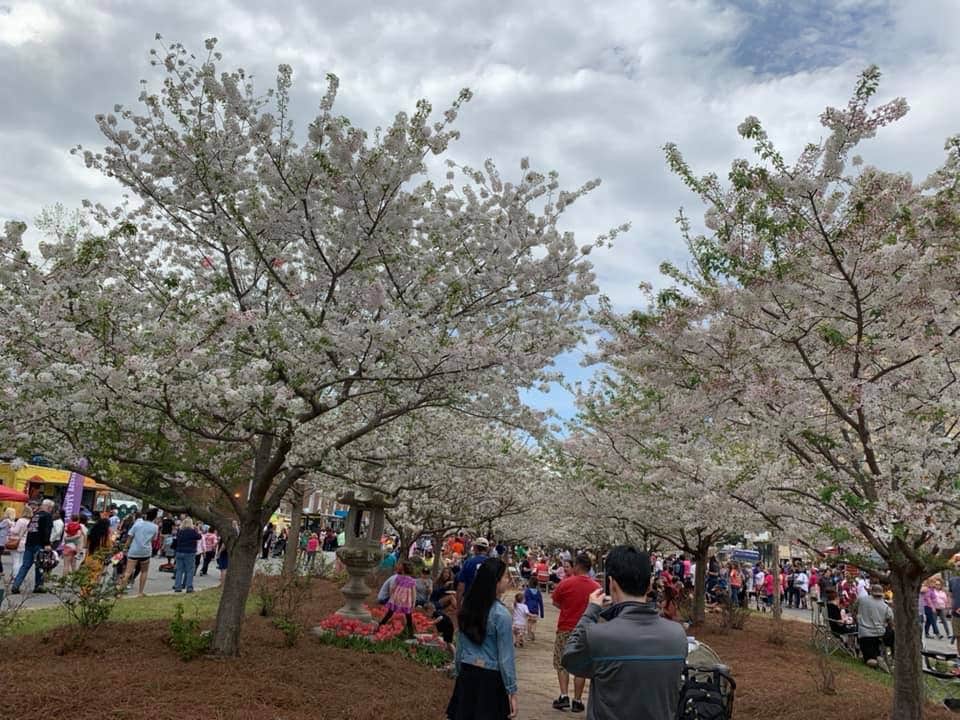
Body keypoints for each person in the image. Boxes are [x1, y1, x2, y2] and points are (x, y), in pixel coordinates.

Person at [562, 546, 688, 720]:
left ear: (612, 583)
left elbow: (569, 659)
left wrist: (591, 611)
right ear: (650, 585)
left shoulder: (599, 636)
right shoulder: (677, 636)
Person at [446, 558, 518, 720]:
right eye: (505, 576)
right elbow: (506, 657)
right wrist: (511, 690)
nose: (508, 580)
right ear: (496, 581)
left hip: (467, 673)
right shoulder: (501, 615)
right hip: (490, 679)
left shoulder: (467, 607)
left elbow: (461, 645)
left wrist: (459, 672)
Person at [551, 552, 601, 712]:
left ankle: (564, 695)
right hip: (586, 630)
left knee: (561, 662)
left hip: (566, 627)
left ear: (577, 566)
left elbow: (556, 602)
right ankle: (577, 700)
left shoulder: (566, 583)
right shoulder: (596, 587)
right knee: (581, 663)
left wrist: (567, 608)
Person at [11, 499, 54, 594]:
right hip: (40, 544)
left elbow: (29, 528)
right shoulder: (47, 516)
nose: (51, 510)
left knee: (25, 565)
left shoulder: (35, 515)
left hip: (29, 543)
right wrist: (47, 543)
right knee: (40, 565)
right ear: (49, 507)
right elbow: (47, 530)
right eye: (51, 508)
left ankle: (16, 585)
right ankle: (38, 586)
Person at [853, 583, 894, 668]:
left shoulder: (861, 600)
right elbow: (891, 622)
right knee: (877, 649)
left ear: (871, 591)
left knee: (868, 659)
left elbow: (854, 610)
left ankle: (876, 662)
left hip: (864, 634)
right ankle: (884, 658)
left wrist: (857, 620)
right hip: (879, 634)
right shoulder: (886, 607)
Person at [119, 508, 158, 597]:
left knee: (128, 572)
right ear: (154, 517)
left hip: (134, 550)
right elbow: (153, 539)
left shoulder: (137, 524)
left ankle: (120, 593)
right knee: (144, 571)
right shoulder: (155, 527)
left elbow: (130, 537)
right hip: (146, 551)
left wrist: (125, 548)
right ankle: (140, 592)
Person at [377, 561, 417, 638]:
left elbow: (393, 588)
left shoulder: (398, 578)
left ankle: (380, 625)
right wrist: (413, 602)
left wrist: (392, 596)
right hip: (406, 601)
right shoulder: (412, 580)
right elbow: (414, 593)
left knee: (390, 613)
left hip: (396, 599)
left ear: (402, 570)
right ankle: (410, 633)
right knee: (408, 616)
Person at [456, 537, 491, 605]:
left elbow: (461, 587)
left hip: (469, 601)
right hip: (486, 603)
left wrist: (458, 606)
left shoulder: (468, 563)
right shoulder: (492, 563)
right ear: (487, 549)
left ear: (475, 548)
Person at [173, 518, 201, 593]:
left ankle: (177, 586)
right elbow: (199, 537)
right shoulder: (192, 532)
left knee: (179, 570)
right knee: (190, 570)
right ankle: (189, 587)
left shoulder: (180, 531)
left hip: (179, 551)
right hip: (190, 552)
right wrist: (197, 529)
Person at [524, 576, 545, 641]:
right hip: (536, 609)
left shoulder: (527, 591)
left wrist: (523, 610)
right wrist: (542, 613)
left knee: (529, 622)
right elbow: (541, 603)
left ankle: (529, 635)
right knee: (534, 622)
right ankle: (533, 631)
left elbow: (525, 600)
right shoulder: (538, 592)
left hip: (528, 608)